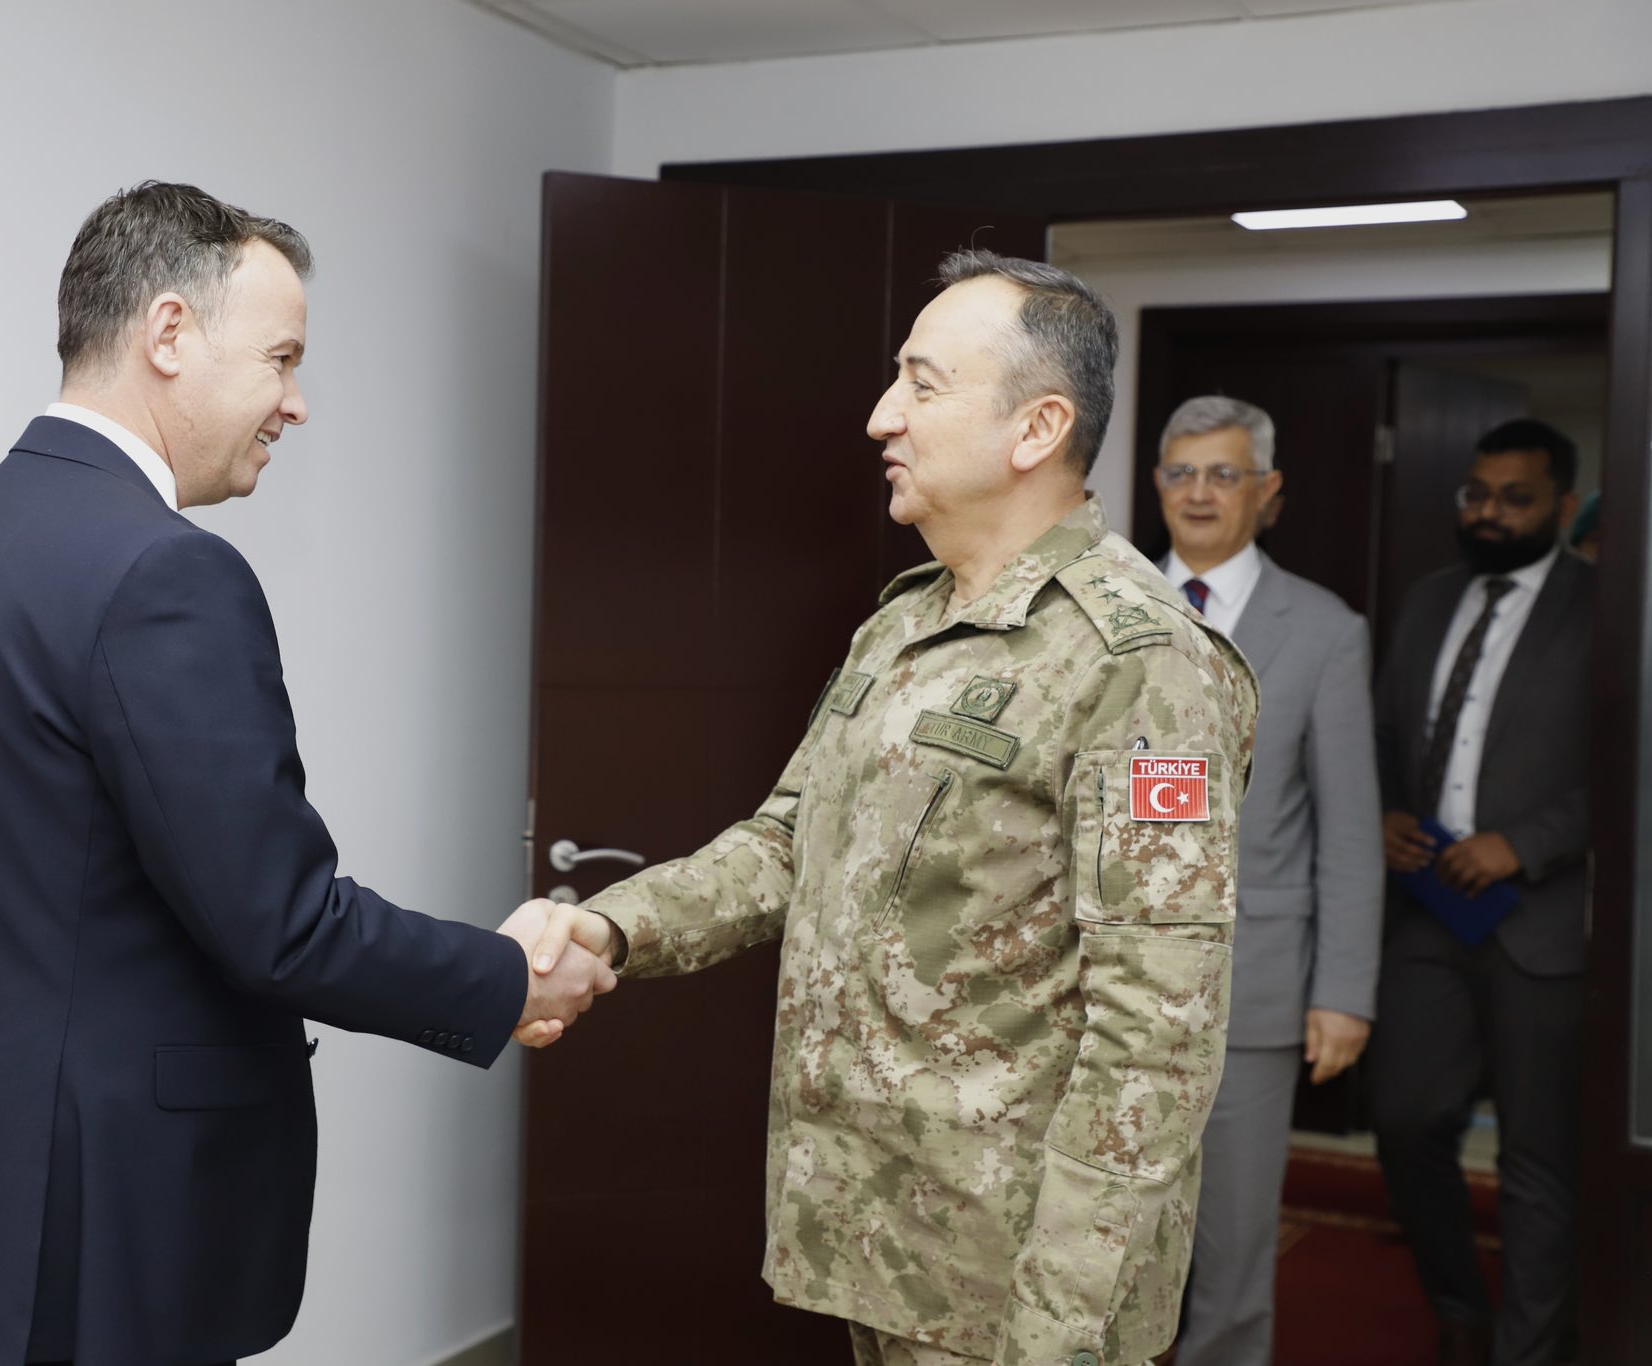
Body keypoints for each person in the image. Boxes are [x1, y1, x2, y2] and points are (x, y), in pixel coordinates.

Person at [0, 182, 616, 1366]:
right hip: (97, 1244)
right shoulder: (162, 572)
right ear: (168, 333)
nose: (295, 403)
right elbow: (279, 922)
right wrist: (503, 976)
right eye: (281, 359)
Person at [568, 250, 1259, 1366]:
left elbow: (1156, 1036)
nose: (881, 416)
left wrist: (1060, 1326)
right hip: (879, 1238)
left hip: (1013, 1287)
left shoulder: (1138, 660)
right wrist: (608, 927)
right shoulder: (903, 623)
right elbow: (785, 843)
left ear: (1036, 428)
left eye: (922, 385)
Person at [1149, 396, 1382, 1366]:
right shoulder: (1106, 605)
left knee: (1231, 1247)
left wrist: (1342, 991)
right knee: (1095, 1236)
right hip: (1101, 979)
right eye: (1181, 472)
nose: (1199, 492)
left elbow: (1348, 825)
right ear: (1157, 484)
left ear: (1267, 491)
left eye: (1223, 473)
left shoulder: (1323, 629)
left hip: (1251, 986)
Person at [1371, 418, 1592, 1366]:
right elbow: (1385, 733)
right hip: (1429, 910)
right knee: (1405, 1117)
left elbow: (1632, 763)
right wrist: (1385, 811)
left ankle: (1529, 1349)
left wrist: (1525, 844)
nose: (1489, 513)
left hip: (1543, 922)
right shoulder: (1430, 600)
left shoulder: (1604, 605)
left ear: (1563, 506)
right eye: (1477, 495)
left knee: (1538, 1156)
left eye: (1515, 498)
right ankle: (1459, 1303)